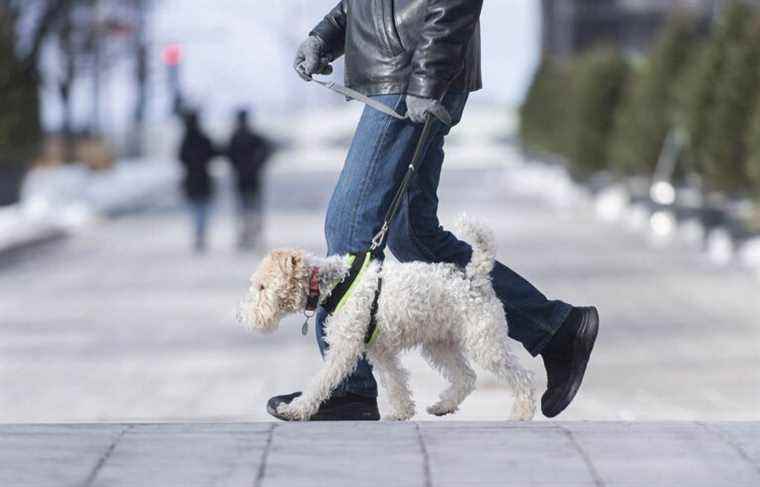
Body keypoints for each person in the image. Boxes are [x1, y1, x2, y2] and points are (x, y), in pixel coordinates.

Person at [268, 0, 599, 421]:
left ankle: (347, 386)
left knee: (349, 224)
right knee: (413, 234)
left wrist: (427, 78)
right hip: (401, 69)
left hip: (412, 72)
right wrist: (326, 34)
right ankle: (557, 330)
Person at [226, 109, 272, 250]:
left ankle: (246, 237)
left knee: (244, 211)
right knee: (253, 210)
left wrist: (240, 166)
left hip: (243, 179)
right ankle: (253, 237)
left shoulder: (236, 137)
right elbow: (267, 149)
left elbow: (228, 155)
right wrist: (257, 164)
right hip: (252, 178)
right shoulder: (253, 137)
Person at [178, 111, 217, 253]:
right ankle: (200, 233)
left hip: (192, 179)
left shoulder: (186, 140)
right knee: (202, 210)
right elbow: (213, 153)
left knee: (196, 209)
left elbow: (181, 158)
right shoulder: (202, 138)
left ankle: (198, 234)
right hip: (202, 178)